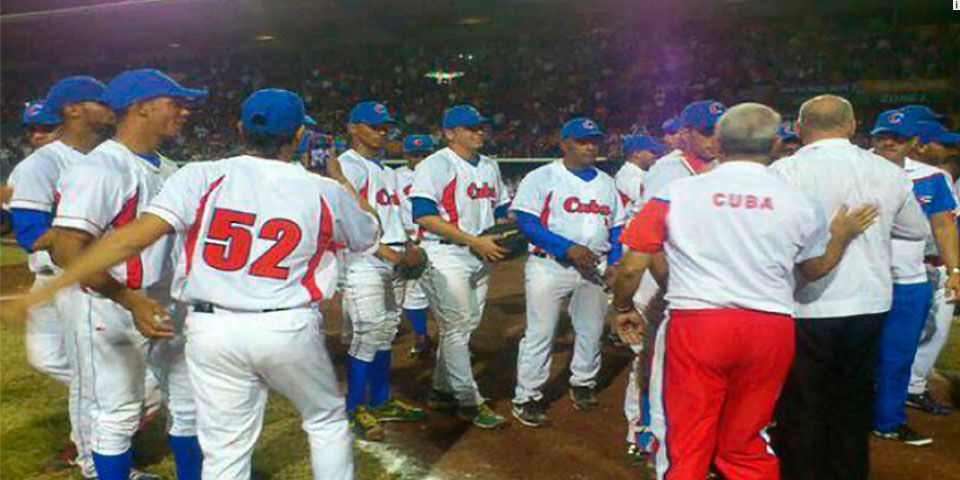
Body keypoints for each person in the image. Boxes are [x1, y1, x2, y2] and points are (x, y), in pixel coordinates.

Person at [21, 88, 376, 480]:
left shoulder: (200, 174)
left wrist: (56, 285)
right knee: (324, 420)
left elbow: (131, 237)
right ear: (297, 136)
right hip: (284, 325)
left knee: (224, 446)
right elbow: (367, 234)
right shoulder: (322, 190)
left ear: (240, 127)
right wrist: (338, 178)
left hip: (211, 327)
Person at [611, 101, 876, 480]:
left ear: (718, 142)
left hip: (698, 324)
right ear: (773, 146)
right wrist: (842, 237)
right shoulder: (800, 202)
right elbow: (814, 269)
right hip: (770, 327)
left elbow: (633, 265)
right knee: (747, 439)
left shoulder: (677, 192)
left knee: (685, 440)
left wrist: (622, 306)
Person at [44, 69, 207, 480]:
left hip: (167, 301)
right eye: (176, 102)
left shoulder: (170, 169)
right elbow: (67, 251)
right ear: (140, 107)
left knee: (189, 404)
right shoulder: (101, 167)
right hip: (109, 305)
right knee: (116, 411)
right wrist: (128, 299)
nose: (184, 112)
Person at [770, 95, 930, 480]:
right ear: (853, 125)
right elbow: (917, 230)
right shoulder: (887, 172)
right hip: (869, 302)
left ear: (798, 128)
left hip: (806, 305)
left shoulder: (784, 171)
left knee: (803, 402)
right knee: (853, 402)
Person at [7, 78, 112, 476]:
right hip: (49, 276)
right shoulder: (41, 165)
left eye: (44, 127)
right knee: (48, 359)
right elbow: (31, 233)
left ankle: (95, 440)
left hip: (80, 278)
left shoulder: (101, 157)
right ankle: (112, 404)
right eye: (31, 129)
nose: (37, 135)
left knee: (89, 374)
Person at [510, 117, 625, 427]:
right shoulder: (543, 176)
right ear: (565, 144)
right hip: (550, 265)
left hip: (594, 267)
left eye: (594, 141)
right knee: (540, 331)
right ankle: (528, 396)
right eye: (582, 141)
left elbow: (617, 227)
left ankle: (583, 382)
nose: (590, 147)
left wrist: (615, 262)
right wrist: (566, 247)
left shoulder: (606, 182)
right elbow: (527, 221)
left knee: (591, 329)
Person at [410, 104, 512, 429]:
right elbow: (424, 215)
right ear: (449, 133)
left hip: (480, 253)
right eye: (470, 128)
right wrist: (473, 240)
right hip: (445, 255)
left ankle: (441, 390)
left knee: (466, 326)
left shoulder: (490, 165)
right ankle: (469, 401)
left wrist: (505, 234)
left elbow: (501, 211)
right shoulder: (435, 165)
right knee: (456, 327)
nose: (478, 132)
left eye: (481, 126)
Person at [338, 101, 426, 441]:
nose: (382, 132)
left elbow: (393, 218)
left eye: (386, 126)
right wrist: (391, 252)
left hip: (394, 257)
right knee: (366, 333)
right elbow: (351, 218)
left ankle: (381, 400)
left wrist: (409, 244)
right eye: (375, 126)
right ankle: (354, 408)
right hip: (365, 261)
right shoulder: (348, 166)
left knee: (387, 331)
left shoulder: (386, 171)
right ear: (353, 128)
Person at [869, 110, 958, 445]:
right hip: (859, 279)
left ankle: (888, 420)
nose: (889, 142)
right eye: (882, 136)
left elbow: (944, 225)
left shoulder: (932, 177)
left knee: (899, 354)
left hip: (908, 278)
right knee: (851, 355)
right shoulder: (855, 167)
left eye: (899, 138)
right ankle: (844, 417)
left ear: (914, 142)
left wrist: (955, 270)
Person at [903, 115, 960, 415]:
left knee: (934, 331)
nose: (949, 149)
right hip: (914, 265)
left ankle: (914, 386)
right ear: (920, 145)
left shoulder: (941, 176)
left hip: (937, 264)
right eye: (942, 143)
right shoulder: (932, 177)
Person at [396, 134, 435, 358]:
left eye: (424, 154)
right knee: (412, 294)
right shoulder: (395, 177)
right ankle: (421, 334)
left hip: (436, 237)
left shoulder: (439, 173)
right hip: (408, 239)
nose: (419, 158)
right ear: (406, 155)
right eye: (414, 154)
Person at [615, 134, 668, 219]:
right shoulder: (627, 176)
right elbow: (644, 205)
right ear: (637, 154)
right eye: (652, 152)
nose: (656, 156)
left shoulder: (640, 174)